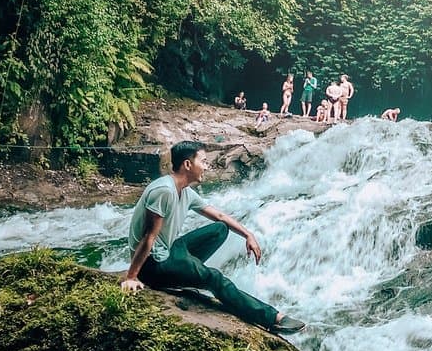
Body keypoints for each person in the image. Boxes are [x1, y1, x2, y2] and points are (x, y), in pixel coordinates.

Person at [120, 141, 305, 335]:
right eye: (204, 161)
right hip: (153, 264)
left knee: (219, 229)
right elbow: (149, 236)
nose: (207, 167)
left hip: (167, 251)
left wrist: (248, 235)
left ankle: (190, 271)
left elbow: (220, 216)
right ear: (187, 164)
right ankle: (272, 319)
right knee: (214, 277)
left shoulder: (185, 191)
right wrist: (131, 277)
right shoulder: (163, 191)